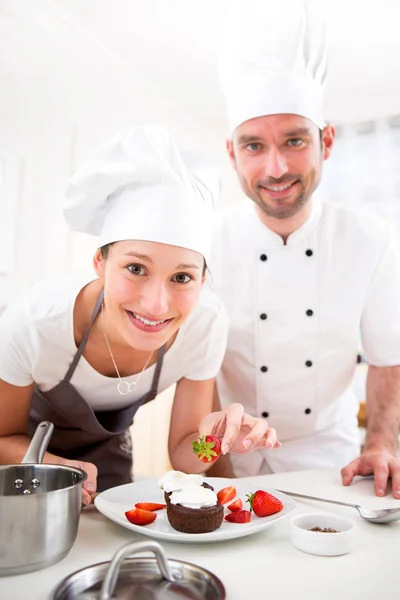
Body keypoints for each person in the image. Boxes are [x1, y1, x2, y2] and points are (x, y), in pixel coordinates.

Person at [0, 125, 280, 505]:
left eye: (182, 277)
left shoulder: (205, 325)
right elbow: (2, 439)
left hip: (112, 473)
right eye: (136, 269)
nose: (156, 305)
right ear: (100, 261)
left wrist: (213, 442)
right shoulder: (33, 324)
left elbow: (183, 454)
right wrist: (61, 468)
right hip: (25, 478)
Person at [207, 0, 400, 497]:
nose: (275, 168)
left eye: (294, 141)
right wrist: (212, 468)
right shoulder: (202, 243)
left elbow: (387, 359)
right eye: (253, 146)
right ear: (232, 153)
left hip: (329, 460)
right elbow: (196, 370)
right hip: (225, 458)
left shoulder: (372, 239)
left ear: (327, 142)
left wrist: (381, 444)